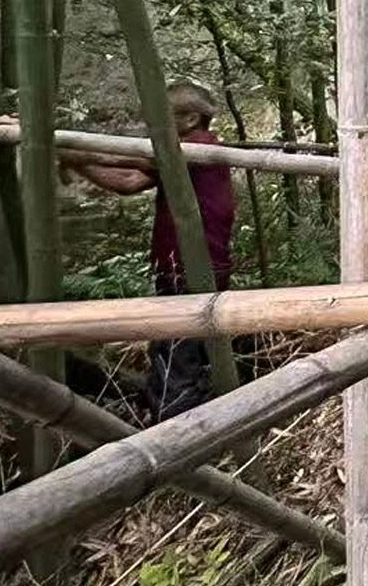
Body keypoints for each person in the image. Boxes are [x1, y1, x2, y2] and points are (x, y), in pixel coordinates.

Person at [55, 82, 237, 420]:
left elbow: (123, 157)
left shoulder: (197, 148)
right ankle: (165, 413)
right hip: (177, 265)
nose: (151, 127)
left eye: (159, 118)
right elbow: (128, 181)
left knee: (179, 355)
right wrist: (72, 158)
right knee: (171, 350)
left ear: (190, 118)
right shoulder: (180, 152)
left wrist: (57, 141)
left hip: (194, 266)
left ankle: (176, 433)